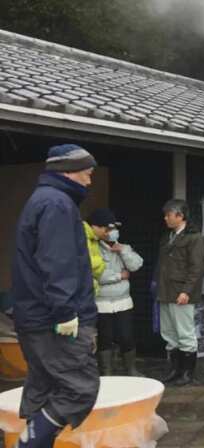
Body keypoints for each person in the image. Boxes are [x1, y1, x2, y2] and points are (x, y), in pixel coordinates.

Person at [9, 144, 100, 447]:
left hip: (34, 319)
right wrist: (66, 314)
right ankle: (26, 443)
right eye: (87, 174)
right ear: (68, 172)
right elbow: (57, 262)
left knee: (45, 388)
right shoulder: (57, 205)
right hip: (54, 322)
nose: (90, 181)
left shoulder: (42, 200)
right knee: (79, 388)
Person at [88, 209, 145, 376]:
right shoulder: (94, 249)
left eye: (114, 229)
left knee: (127, 336)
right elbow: (99, 275)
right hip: (102, 302)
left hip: (123, 301)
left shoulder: (124, 247)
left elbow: (136, 265)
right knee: (105, 337)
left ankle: (131, 369)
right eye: (109, 228)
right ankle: (106, 371)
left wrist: (123, 251)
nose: (112, 232)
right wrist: (120, 275)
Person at [156, 199, 204, 387]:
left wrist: (186, 291)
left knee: (185, 333)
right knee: (169, 333)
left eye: (169, 214)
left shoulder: (194, 238)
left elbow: (196, 268)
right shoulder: (168, 236)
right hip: (166, 291)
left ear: (180, 216)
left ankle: (187, 373)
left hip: (181, 292)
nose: (166, 218)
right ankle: (175, 370)